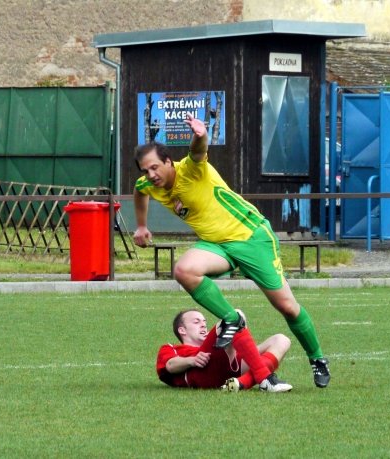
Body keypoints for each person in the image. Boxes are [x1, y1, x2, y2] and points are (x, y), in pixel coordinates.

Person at [133, 115, 330, 388]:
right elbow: (139, 191)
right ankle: (231, 319)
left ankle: (318, 359)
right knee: (183, 270)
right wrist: (141, 226)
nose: (150, 175)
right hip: (217, 246)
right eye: (145, 170)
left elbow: (198, 151)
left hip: (251, 237)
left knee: (286, 306)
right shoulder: (149, 185)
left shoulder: (191, 170)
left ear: (168, 161)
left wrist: (201, 134)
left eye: (155, 167)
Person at [156, 309, 292, 392]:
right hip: (204, 371)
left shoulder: (220, 340)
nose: (203, 324)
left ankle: (242, 383)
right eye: (196, 322)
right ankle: (264, 378)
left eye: (204, 321)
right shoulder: (171, 348)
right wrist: (191, 360)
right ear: (182, 330)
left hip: (231, 364)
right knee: (234, 316)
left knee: (281, 340)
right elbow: (170, 365)